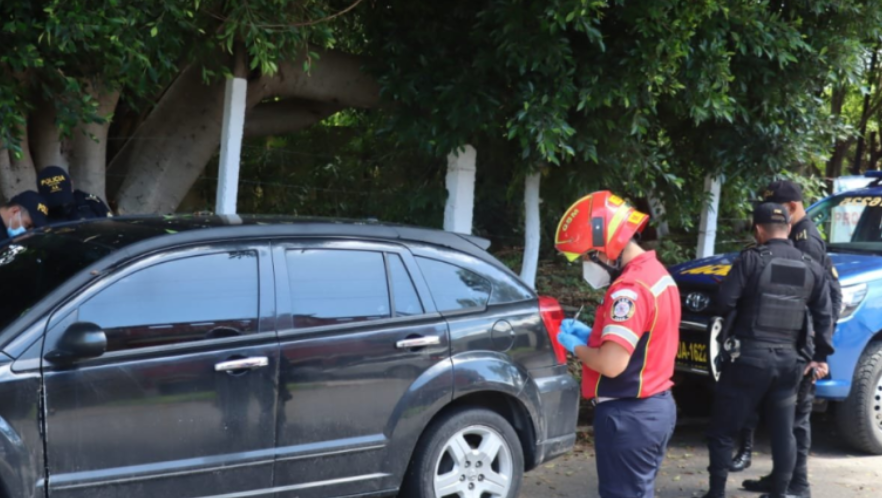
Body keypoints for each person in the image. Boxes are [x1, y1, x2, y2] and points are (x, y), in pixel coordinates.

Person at [554, 191, 679, 498]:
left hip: (629, 415)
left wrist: (575, 347)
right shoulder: (655, 274)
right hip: (651, 408)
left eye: (585, 255)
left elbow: (612, 364)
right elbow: (642, 341)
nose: (584, 263)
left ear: (603, 247)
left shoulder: (629, 289)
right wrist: (593, 337)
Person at [704, 202, 833, 498]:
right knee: (782, 432)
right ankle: (778, 493)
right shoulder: (810, 265)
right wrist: (820, 356)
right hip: (790, 364)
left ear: (759, 231)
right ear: (788, 228)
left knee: (723, 429)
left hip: (748, 360)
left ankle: (716, 493)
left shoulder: (751, 260)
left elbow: (724, 303)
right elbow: (824, 315)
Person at [732, 181, 841, 498]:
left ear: (791, 208)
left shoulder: (806, 242)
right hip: (792, 342)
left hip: (800, 344)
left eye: (779, 210)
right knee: (781, 417)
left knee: (796, 418)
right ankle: (782, 475)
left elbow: (817, 302)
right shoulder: (795, 236)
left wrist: (815, 352)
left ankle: (798, 484)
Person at [37, 165, 111, 223]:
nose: (62, 207)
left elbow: (112, 226)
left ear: (71, 185)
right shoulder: (39, 212)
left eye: (65, 202)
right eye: (55, 206)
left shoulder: (90, 202)